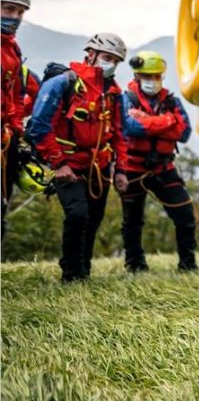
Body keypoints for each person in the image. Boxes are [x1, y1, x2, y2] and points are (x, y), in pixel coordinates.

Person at [28, 33, 130, 282]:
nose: (111, 64)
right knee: (77, 214)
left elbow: (120, 134)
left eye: (116, 61)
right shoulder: (64, 83)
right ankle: (71, 274)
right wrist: (58, 163)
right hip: (68, 165)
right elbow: (39, 125)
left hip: (99, 168)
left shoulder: (114, 94)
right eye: (107, 57)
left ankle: (84, 270)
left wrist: (121, 169)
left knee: (94, 218)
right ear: (91, 54)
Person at [119, 51, 198, 272]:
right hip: (132, 168)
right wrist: (168, 121)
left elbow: (184, 133)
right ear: (137, 76)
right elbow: (131, 127)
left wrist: (150, 121)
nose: (152, 80)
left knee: (184, 213)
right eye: (147, 76)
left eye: (156, 76)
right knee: (132, 221)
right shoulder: (126, 99)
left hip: (164, 167)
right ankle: (135, 264)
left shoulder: (172, 101)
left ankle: (188, 264)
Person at [2, 0, 31, 226]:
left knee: (3, 201)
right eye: (9, 9)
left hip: (6, 136)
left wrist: (17, 131)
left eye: (20, 12)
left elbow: (16, 95)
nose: (15, 17)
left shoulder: (12, 49)